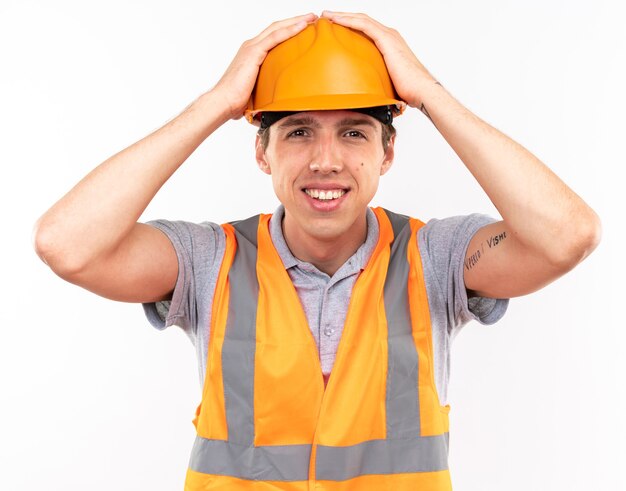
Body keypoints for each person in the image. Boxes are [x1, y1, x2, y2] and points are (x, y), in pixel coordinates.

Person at [33, 11, 601, 491]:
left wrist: (428, 93)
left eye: (354, 132)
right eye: (299, 131)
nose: (325, 160)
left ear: (388, 152)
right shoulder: (210, 261)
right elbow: (67, 245)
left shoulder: (437, 257)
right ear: (263, 153)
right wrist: (218, 102)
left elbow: (568, 235)